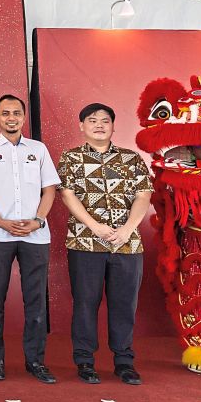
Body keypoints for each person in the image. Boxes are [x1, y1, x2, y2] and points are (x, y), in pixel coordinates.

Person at [57, 103, 153, 386]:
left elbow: (143, 195)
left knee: (124, 305)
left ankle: (124, 362)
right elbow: (67, 195)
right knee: (85, 304)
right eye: (92, 120)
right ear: (81, 126)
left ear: (112, 125)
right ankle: (85, 361)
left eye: (105, 120)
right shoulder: (71, 158)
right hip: (85, 243)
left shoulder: (131, 158)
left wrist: (127, 229)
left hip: (127, 244)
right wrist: (95, 226)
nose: (99, 125)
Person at [0, 94, 60, 383]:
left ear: (23, 117)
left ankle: (35, 361)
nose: (11, 118)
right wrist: (0, 221)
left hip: (35, 235)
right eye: (5, 113)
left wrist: (38, 221)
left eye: (16, 113)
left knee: (36, 301)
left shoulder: (38, 149)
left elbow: (49, 190)